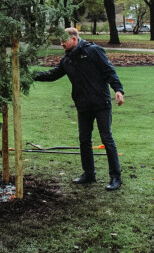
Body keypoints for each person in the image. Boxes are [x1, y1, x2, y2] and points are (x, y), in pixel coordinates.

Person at [34, 27, 124, 191]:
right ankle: (89, 174)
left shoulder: (93, 51)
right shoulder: (67, 59)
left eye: (64, 40)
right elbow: (53, 74)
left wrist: (118, 90)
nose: (61, 43)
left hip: (100, 103)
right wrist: (31, 76)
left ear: (74, 39)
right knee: (84, 140)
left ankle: (115, 177)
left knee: (106, 138)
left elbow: (109, 70)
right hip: (83, 105)